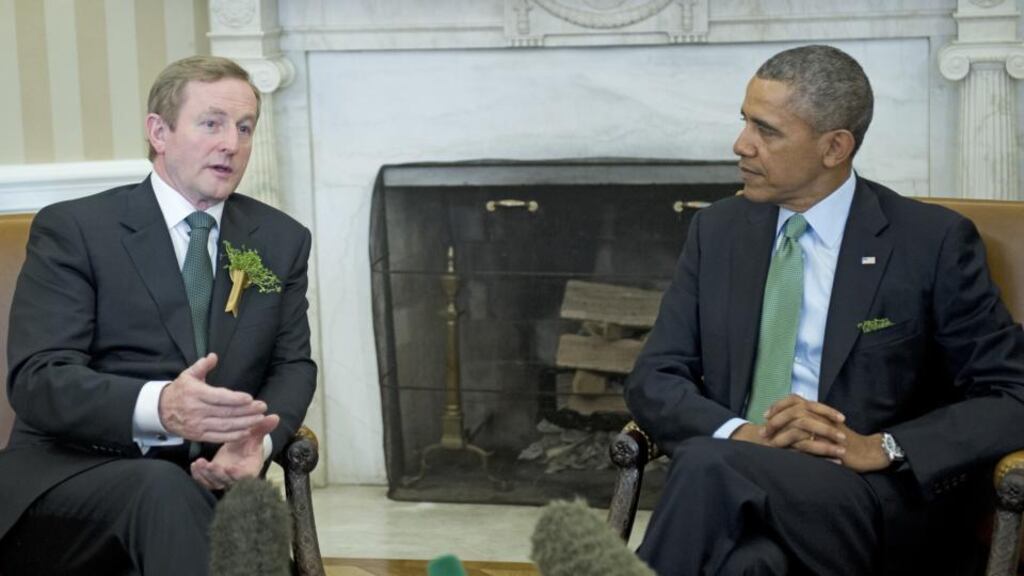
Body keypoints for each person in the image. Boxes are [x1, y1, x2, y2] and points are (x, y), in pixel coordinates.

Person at [625, 44, 1024, 575]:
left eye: (766, 131)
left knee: (702, 464)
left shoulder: (930, 243)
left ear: (834, 147)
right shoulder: (717, 231)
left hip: (869, 499)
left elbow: (1012, 394)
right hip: (735, 487)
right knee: (749, 564)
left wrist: (883, 446)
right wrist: (743, 435)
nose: (740, 144)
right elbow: (654, 377)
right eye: (744, 121)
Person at [0, 55, 316, 575]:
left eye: (244, 128)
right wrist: (161, 406)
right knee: (164, 491)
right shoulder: (76, 230)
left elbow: (293, 366)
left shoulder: (279, 241)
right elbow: (39, 381)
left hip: (206, 480)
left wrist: (256, 445)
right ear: (159, 132)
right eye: (211, 123)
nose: (231, 145)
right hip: (71, 477)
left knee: (223, 517)